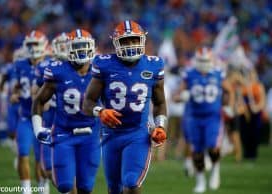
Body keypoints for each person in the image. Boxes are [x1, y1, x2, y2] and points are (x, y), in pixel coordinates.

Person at [82, 20, 167, 194]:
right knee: (114, 188)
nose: (130, 45)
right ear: (116, 43)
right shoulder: (104, 64)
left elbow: (159, 103)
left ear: (142, 40)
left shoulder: (153, 65)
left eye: (134, 40)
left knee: (131, 182)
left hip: (138, 134)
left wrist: (160, 126)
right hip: (110, 135)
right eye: (125, 41)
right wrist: (100, 111)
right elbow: (88, 102)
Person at [32, 29, 100, 194]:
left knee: (85, 188)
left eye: (84, 46)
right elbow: (39, 100)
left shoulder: (101, 70)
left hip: (91, 134)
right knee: (64, 185)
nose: (80, 50)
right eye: (76, 46)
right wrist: (38, 129)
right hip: (64, 133)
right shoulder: (58, 70)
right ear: (67, 48)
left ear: (92, 47)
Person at [178, 47, 234, 193]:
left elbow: (229, 90)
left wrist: (228, 105)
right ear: (196, 60)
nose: (204, 63)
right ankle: (200, 181)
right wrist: (182, 96)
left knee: (213, 147)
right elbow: (175, 95)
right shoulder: (189, 74)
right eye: (201, 60)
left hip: (213, 117)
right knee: (196, 152)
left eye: (206, 60)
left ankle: (215, 168)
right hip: (194, 117)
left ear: (211, 60)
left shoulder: (218, 74)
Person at [12, 30, 48, 194]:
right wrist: (14, 93)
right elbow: (17, 85)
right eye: (30, 44)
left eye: (36, 44)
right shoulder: (20, 64)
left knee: (41, 159)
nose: (33, 48)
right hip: (26, 117)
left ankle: (42, 188)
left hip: (43, 118)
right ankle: (26, 190)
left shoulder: (50, 65)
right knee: (23, 154)